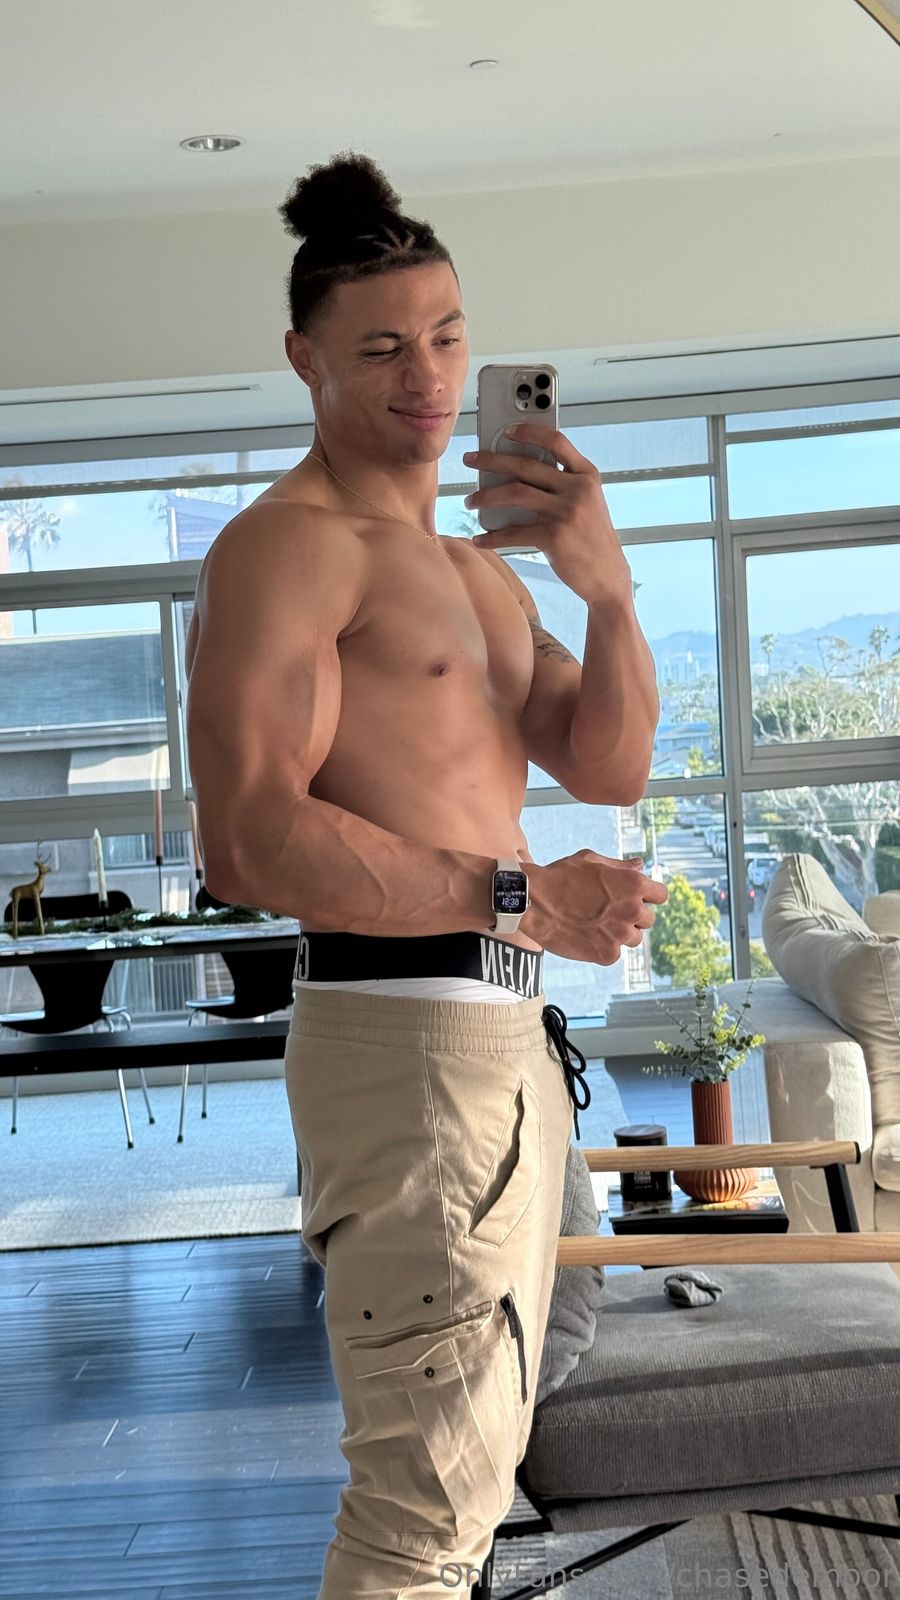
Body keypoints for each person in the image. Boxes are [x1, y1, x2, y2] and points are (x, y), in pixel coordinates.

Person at [185, 150, 667, 1599]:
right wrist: (521, 897)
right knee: (425, 1503)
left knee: (484, 1446)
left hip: (501, 1035)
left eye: (449, 336)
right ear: (305, 360)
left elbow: (608, 763)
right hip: (408, 1041)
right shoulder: (283, 549)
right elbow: (247, 838)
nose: (430, 376)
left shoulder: (480, 571)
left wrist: (609, 588)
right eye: (384, 347)